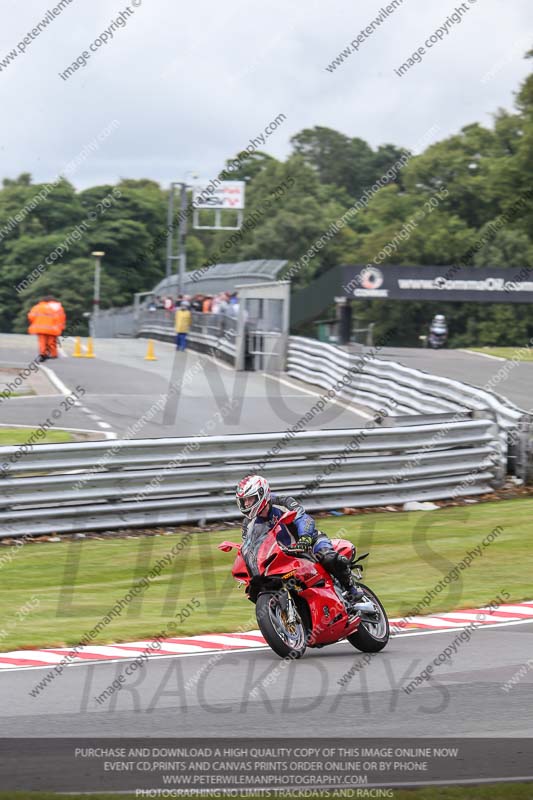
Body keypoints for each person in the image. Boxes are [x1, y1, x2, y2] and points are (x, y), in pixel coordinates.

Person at [236, 475, 363, 604]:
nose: (246, 504)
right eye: (244, 500)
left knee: (327, 557)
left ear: (261, 494)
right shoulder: (248, 524)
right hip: (282, 557)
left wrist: (305, 538)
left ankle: (352, 589)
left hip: (308, 544)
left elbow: (304, 518)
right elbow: (250, 547)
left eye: (250, 499)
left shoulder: (282, 502)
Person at [27, 295, 66, 362]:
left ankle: (43, 354)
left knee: (42, 342)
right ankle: (53, 354)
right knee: (52, 341)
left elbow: (31, 317)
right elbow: (62, 318)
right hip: (53, 328)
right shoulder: (58, 308)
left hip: (40, 328)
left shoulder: (38, 307)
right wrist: (61, 327)